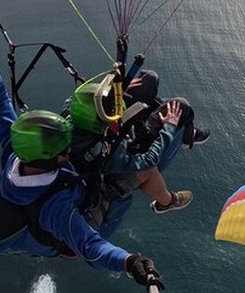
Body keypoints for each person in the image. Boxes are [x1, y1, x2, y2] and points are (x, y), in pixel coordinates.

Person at [0, 25, 159, 287]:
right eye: (63, 151)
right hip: (77, 235)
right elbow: (92, 247)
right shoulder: (54, 208)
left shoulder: (16, 150)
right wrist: (128, 262)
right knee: (132, 180)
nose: (69, 150)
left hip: (65, 200)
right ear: (46, 162)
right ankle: (164, 194)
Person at [66, 70, 209, 236]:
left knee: (148, 79)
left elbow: (74, 99)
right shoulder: (101, 151)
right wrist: (169, 128)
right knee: (181, 106)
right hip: (126, 153)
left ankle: (171, 122)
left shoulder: (73, 117)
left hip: (117, 137)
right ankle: (185, 138)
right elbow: (148, 160)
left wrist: (113, 90)